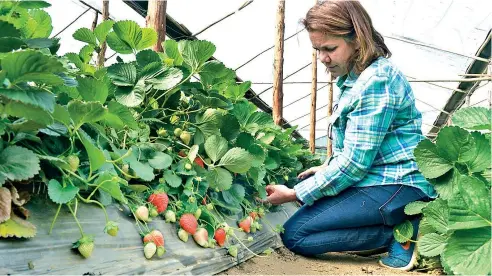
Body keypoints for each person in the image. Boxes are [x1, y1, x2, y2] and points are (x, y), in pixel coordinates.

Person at [264, 0, 436, 271]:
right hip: (377, 179)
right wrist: (324, 168)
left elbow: (355, 164)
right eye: (317, 49)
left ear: (357, 40)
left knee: (296, 235)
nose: (323, 58)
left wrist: (295, 194)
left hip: (400, 185)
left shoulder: (377, 81)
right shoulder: (353, 79)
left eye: (330, 48)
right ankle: (387, 225)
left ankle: (404, 231)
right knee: (298, 185)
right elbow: (359, 147)